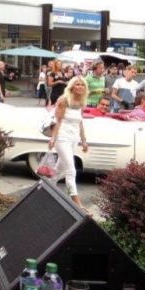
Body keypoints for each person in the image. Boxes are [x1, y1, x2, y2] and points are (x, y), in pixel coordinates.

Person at [48, 76, 91, 214]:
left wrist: (84, 140)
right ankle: (77, 203)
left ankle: (44, 188)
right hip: (62, 137)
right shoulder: (63, 100)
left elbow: (80, 122)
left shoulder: (81, 102)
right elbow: (57, 121)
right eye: (77, 84)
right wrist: (53, 138)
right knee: (71, 170)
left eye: (82, 85)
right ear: (72, 86)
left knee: (59, 169)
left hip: (73, 139)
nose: (80, 87)